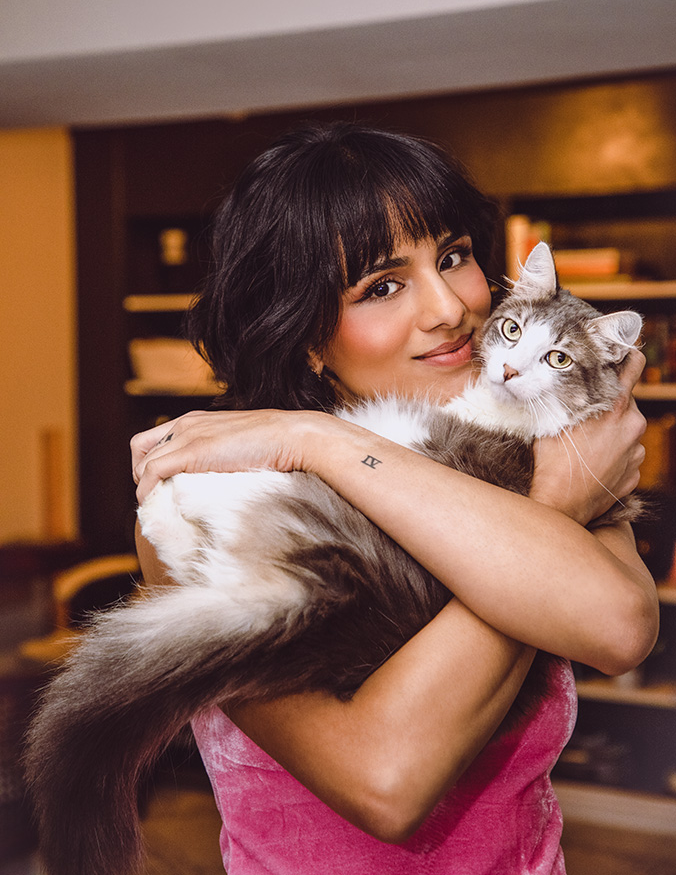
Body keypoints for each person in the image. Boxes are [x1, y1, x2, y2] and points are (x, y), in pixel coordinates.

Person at [131, 122, 658, 875]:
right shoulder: (211, 507)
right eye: (382, 285)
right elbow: (384, 782)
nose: (450, 308)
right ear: (304, 333)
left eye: (454, 257)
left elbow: (622, 627)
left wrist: (546, 495)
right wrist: (320, 443)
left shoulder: (544, 451)